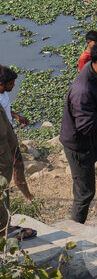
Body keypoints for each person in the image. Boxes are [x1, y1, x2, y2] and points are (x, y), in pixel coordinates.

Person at [60, 40, 97, 224]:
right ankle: (75, 237)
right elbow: (87, 127)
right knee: (85, 193)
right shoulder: (82, 90)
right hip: (81, 145)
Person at [0, 68, 32, 203]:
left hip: (9, 134)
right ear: (1, 84)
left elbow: (6, 108)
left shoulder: (4, 94)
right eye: (11, 83)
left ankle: (28, 196)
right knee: (9, 169)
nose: (13, 85)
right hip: (3, 139)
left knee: (19, 165)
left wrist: (17, 116)